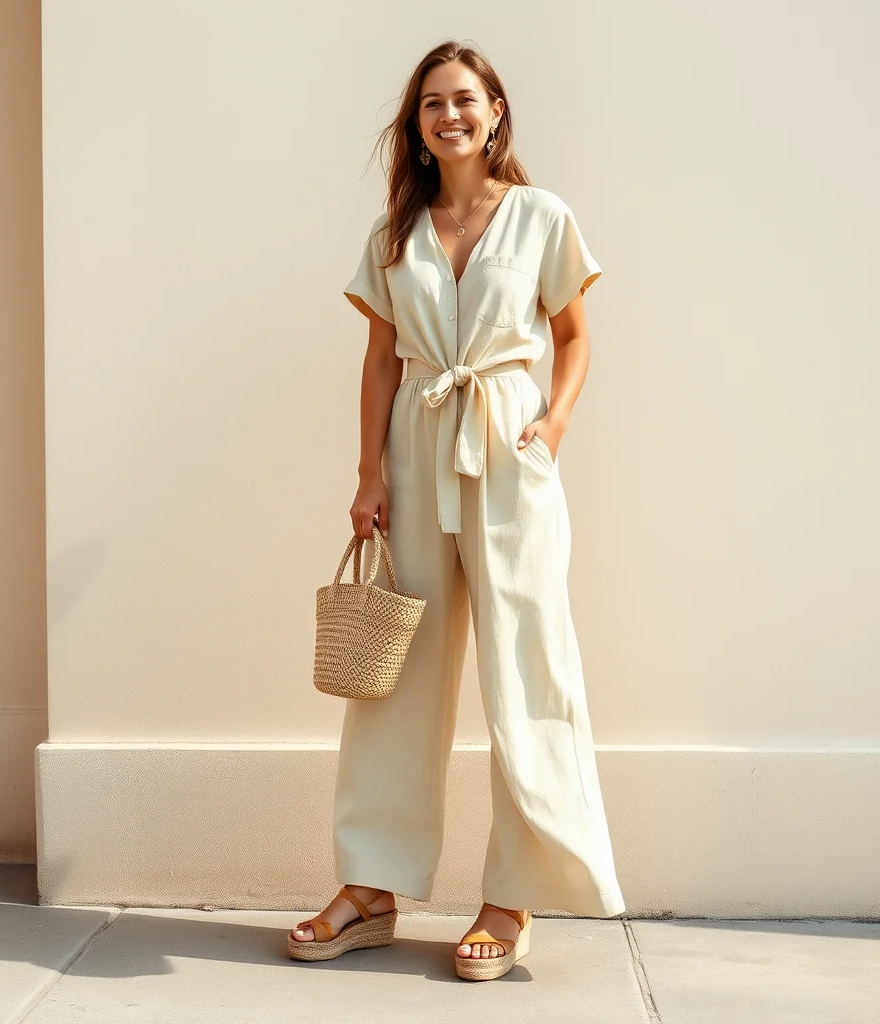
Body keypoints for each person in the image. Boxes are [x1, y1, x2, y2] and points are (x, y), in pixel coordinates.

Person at [288, 39, 626, 981]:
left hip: (511, 451)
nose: (450, 114)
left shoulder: (542, 217)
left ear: (496, 112)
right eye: (433, 103)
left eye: (466, 99)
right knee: (398, 676)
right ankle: (371, 886)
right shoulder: (394, 232)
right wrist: (369, 475)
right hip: (417, 444)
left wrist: (552, 429)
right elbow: (380, 361)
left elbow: (573, 338)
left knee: (528, 664)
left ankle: (512, 895)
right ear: (418, 127)